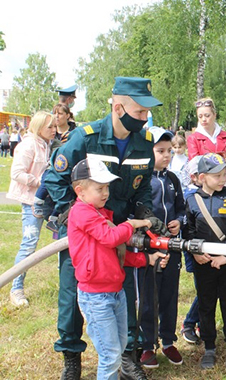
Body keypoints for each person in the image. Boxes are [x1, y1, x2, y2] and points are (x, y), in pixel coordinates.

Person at [44, 76, 164, 380]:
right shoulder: (86, 138)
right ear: (119, 106)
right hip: (84, 235)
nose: (144, 118)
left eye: (146, 113)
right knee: (73, 297)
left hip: (119, 234)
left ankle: (126, 357)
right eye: (139, 112)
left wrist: (145, 211)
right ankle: (72, 357)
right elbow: (55, 178)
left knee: (122, 294)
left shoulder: (144, 142)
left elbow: (143, 186)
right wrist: (75, 213)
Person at [67, 157, 166, 380]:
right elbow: (111, 237)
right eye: (99, 188)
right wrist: (131, 224)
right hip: (96, 297)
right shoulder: (81, 212)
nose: (106, 193)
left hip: (116, 292)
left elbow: (117, 253)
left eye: (107, 187)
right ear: (80, 191)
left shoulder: (102, 214)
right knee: (110, 355)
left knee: (119, 346)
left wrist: (146, 260)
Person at [182, 153, 226, 370]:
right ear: (202, 177)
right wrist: (196, 254)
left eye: (224, 174)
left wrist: (225, 256)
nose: (223, 179)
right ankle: (209, 346)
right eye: (217, 175)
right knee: (206, 305)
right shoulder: (192, 200)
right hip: (203, 264)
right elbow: (188, 231)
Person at [138, 127, 185, 369]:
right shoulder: (142, 180)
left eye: (170, 150)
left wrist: (179, 221)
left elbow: (181, 208)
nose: (167, 155)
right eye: (160, 151)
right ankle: (147, 344)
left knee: (169, 295)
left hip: (173, 248)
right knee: (148, 297)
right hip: (149, 248)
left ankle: (168, 340)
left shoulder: (173, 179)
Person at [7, 111, 56, 307]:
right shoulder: (28, 144)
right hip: (31, 201)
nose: (54, 130)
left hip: (47, 201)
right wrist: (41, 183)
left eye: (54, 126)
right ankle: (16, 289)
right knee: (28, 245)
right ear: (38, 127)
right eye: (50, 127)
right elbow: (16, 172)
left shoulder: (47, 144)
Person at [180, 155, 203, 344]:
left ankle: (202, 324)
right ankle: (189, 323)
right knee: (203, 289)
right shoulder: (189, 196)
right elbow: (187, 229)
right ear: (194, 176)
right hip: (195, 251)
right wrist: (195, 252)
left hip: (210, 250)